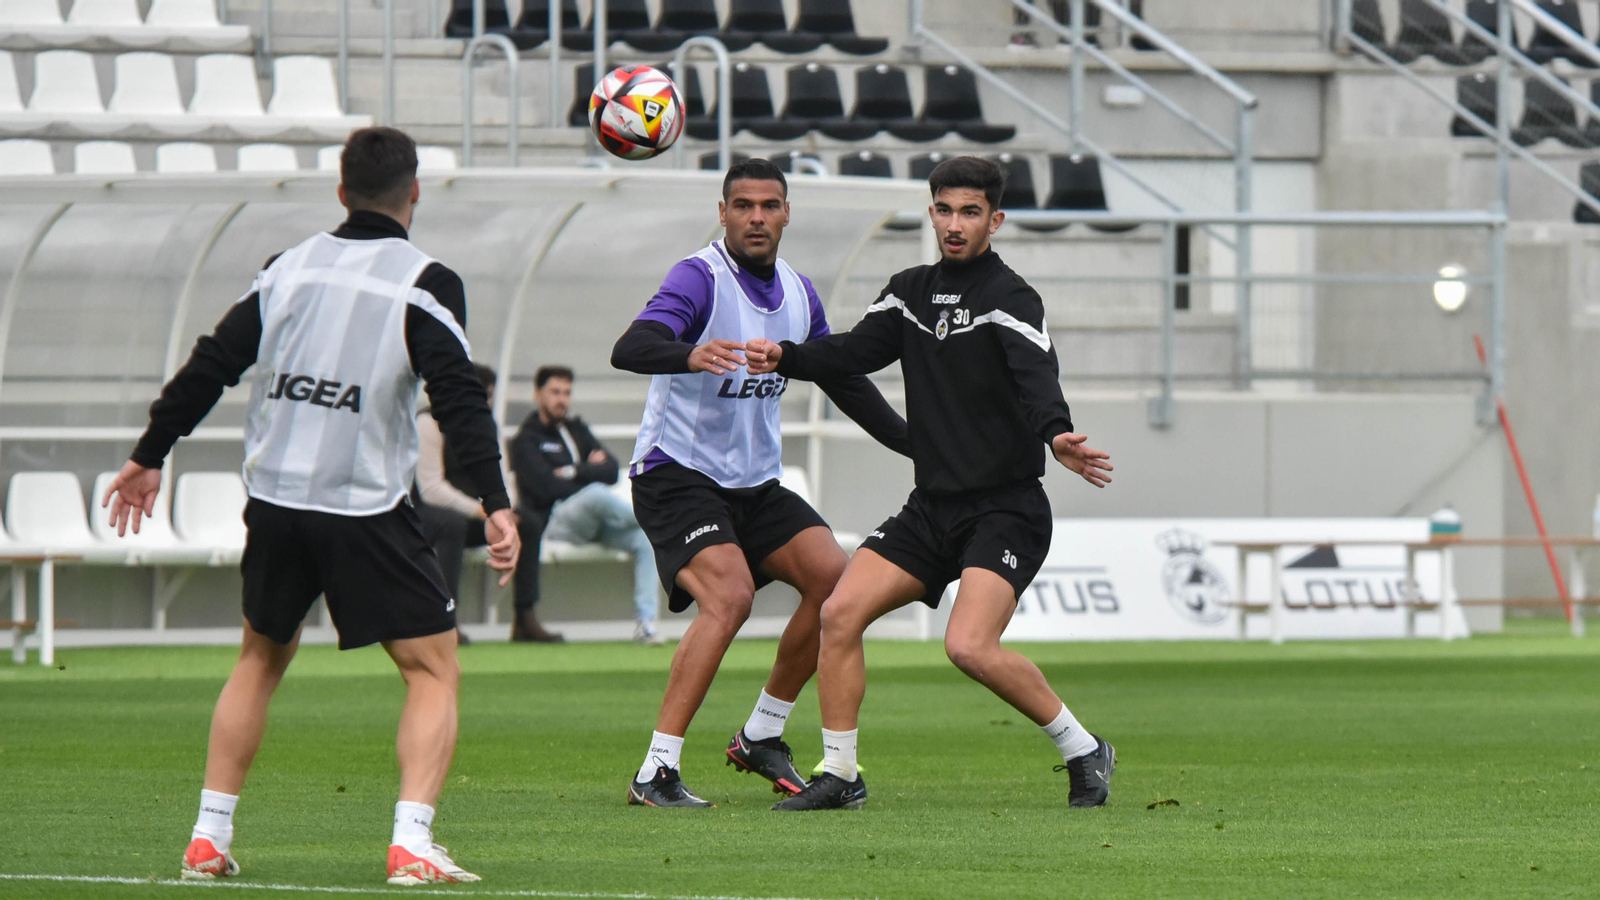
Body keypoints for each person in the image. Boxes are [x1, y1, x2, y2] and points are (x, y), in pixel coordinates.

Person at [100, 127, 519, 884]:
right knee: (433, 670)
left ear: (340, 190)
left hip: (277, 498)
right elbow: (458, 398)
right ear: (414, 192)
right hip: (362, 504)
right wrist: (495, 499)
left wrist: (148, 454)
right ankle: (411, 842)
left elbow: (211, 363)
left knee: (259, 657)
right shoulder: (425, 280)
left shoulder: (286, 268)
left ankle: (208, 835)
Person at [744, 156, 1117, 812]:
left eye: (970, 212)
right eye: (944, 209)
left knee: (968, 646)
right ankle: (841, 774)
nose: (954, 223)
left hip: (1007, 510)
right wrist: (789, 356)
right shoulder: (908, 290)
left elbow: (1038, 381)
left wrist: (1057, 435)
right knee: (840, 611)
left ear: (994, 221)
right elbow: (857, 352)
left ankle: (1084, 748)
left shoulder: (1012, 298)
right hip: (931, 510)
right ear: (931, 212)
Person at [609, 157, 911, 807]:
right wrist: (686, 352)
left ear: (786, 214)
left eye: (769, 205)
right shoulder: (699, 279)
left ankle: (762, 733)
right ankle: (655, 771)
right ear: (722, 213)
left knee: (836, 580)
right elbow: (630, 347)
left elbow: (843, 379)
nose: (755, 217)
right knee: (731, 597)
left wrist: (917, 444)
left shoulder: (800, 295)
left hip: (755, 485)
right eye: (742, 205)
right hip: (677, 474)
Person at [509, 365, 663, 645]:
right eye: (555, 392)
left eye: (567, 392)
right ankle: (660, 520)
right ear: (538, 394)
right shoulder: (527, 439)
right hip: (556, 522)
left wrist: (571, 470)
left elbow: (611, 470)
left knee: (644, 539)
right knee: (594, 494)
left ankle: (645, 623)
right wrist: (585, 472)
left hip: (594, 521)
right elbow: (544, 487)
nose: (562, 399)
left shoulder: (576, 429)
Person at [415, 362, 512, 645]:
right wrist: (485, 513)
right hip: (425, 515)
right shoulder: (429, 422)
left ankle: (524, 617)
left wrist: (507, 514)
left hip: (474, 517)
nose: (490, 402)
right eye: (487, 394)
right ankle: (444, 621)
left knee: (527, 523)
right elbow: (431, 489)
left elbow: (504, 477)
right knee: (451, 525)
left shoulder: (489, 426)